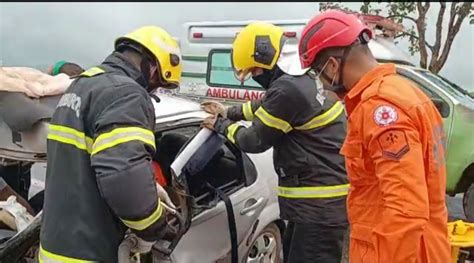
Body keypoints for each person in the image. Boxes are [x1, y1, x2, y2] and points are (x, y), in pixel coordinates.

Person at [298, 9, 451, 263]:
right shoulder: (405, 93)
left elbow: (406, 211)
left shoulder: (379, 110)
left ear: (333, 66)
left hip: (398, 254)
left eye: (319, 75)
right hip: (421, 246)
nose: (323, 86)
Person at [202, 22, 349, 263]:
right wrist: (228, 112)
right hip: (320, 204)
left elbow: (253, 140)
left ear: (266, 59)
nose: (256, 78)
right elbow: (266, 106)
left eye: (255, 72)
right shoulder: (298, 80)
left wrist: (221, 126)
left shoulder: (288, 89)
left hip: (317, 207)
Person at [39, 26, 182, 262]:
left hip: (53, 247)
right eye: (159, 82)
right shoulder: (127, 95)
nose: (153, 89)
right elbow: (122, 175)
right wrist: (155, 224)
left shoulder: (82, 86)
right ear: (153, 66)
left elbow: (83, 163)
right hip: (89, 252)